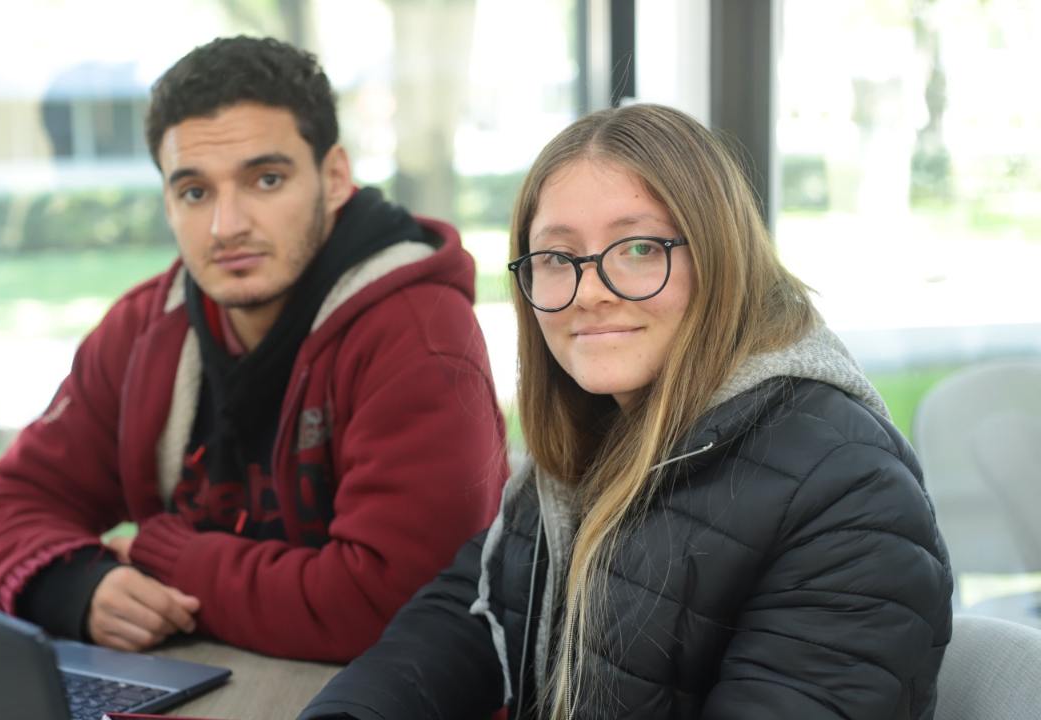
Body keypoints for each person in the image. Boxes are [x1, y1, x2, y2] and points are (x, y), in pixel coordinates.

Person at [299, 104, 953, 718]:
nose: (588, 293)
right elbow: (470, 616)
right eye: (557, 258)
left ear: (720, 259)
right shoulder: (595, 433)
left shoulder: (848, 493)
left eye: (639, 249)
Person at [0, 36, 507, 663]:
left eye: (266, 179)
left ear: (334, 178)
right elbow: (16, 504)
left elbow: (391, 605)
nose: (227, 226)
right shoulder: (147, 327)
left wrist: (165, 555)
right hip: (214, 675)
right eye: (195, 192)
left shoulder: (418, 336)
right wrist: (82, 590)